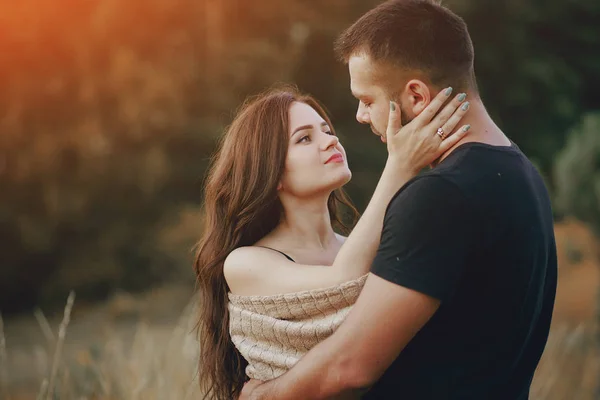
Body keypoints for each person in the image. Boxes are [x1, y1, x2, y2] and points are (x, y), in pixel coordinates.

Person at [240, 0, 558, 399]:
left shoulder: (440, 196)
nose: (357, 116)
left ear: (417, 97)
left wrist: (262, 395)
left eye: (368, 100)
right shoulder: (523, 174)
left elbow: (349, 367)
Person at [194, 84, 471, 399]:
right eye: (305, 138)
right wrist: (401, 165)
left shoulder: (356, 247)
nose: (331, 140)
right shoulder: (246, 262)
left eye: (326, 131)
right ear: (273, 174)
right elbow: (339, 282)